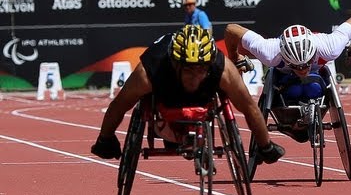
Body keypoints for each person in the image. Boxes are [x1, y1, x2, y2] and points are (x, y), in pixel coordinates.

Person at [91, 25, 284, 165]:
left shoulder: (223, 69)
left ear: (209, 65)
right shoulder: (150, 70)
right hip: (166, 101)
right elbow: (120, 104)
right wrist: (105, 139)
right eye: (189, 70)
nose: (195, 75)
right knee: (144, 106)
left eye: (201, 70)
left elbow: (249, 107)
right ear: (175, 64)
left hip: (202, 100)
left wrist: (265, 145)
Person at [224, 13, 351, 142]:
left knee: (313, 89)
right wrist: (234, 57)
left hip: (316, 79)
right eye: (297, 66)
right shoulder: (270, 51)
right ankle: (294, 123)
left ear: (313, 54)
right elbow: (231, 29)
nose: (303, 70)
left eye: (307, 64)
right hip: (285, 81)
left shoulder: (329, 46)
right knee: (294, 91)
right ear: (284, 56)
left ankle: (305, 117)